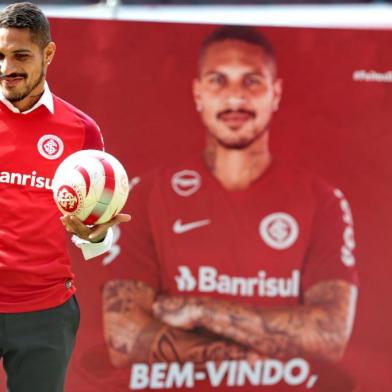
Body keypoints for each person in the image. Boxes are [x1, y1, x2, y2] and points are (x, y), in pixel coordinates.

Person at [102, 25, 358, 390]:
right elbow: (123, 336)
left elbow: (330, 334)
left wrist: (200, 310)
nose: (235, 98)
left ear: (276, 93)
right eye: (218, 80)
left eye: (252, 81)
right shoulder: (147, 193)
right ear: (198, 93)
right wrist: (243, 357)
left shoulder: (322, 200)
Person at [0, 3, 130, 392]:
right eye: (0, 56)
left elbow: (93, 232)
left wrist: (94, 235)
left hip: (45, 313)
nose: (8, 67)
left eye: (21, 55)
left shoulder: (82, 132)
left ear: (48, 54)